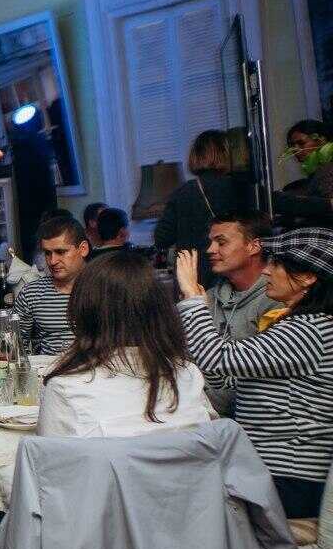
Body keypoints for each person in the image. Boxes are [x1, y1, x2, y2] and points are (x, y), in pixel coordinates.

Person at [176, 228, 333, 518]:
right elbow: (230, 373)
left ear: (308, 277)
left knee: (184, 503)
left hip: (287, 479)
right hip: (276, 475)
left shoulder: (309, 330)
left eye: (277, 264)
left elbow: (215, 357)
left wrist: (192, 299)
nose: (266, 271)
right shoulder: (305, 325)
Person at [38, 250, 214, 438]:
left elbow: (48, 454)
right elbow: (214, 442)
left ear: (83, 311)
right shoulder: (188, 375)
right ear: (159, 311)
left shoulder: (65, 388)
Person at [197, 212, 280, 415]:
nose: (210, 250)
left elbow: (262, 377)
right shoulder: (207, 297)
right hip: (206, 413)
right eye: (211, 242)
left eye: (221, 242)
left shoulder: (277, 300)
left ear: (254, 246)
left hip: (253, 416)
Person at [154, 130, 243, 282]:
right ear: (226, 154)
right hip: (233, 273)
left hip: (194, 275)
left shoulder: (183, 192)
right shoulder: (241, 187)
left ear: (196, 156)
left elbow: (162, 238)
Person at [13, 216, 90, 355]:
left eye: (61, 252)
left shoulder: (104, 288)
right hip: (48, 366)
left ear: (83, 249)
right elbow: (15, 347)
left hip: (96, 366)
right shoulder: (31, 293)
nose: (52, 261)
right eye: (47, 253)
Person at [273, 119, 333, 228]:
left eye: (301, 143)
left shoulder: (328, 170)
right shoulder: (311, 177)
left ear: (322, 141)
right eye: (292, 145)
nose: (296, 149)